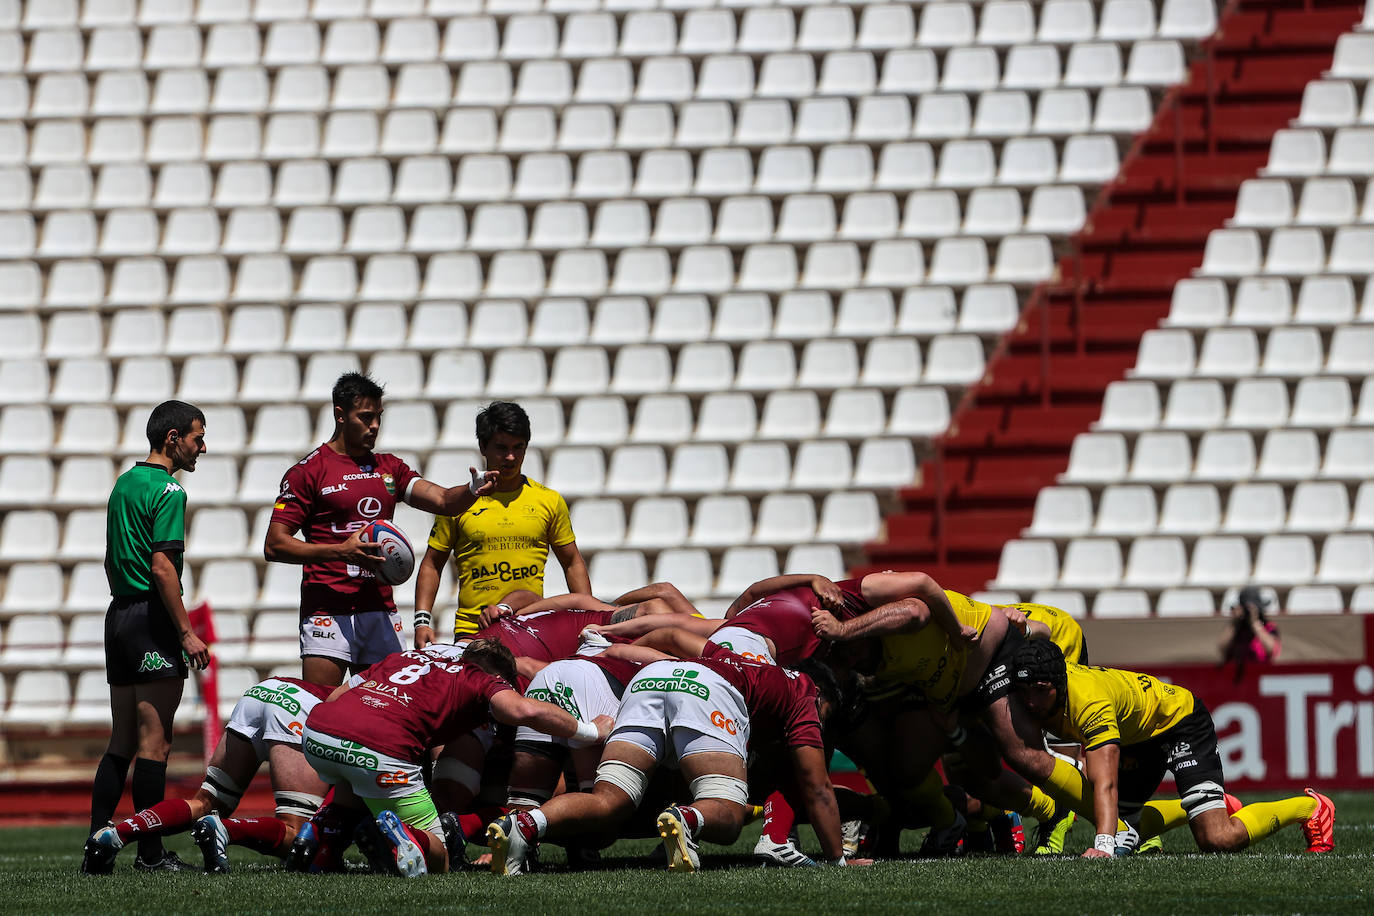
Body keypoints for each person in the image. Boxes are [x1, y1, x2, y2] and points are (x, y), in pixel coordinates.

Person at [487, 642, 862, 875]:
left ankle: (525, 826)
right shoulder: (805, 694)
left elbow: (676, 633)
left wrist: (611, 643)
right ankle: (685, 816)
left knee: (610, 801)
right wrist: (837, 860)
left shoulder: (743, 661)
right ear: (823, 697)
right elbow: (817, 785)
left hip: (652, 679)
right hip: (706, 691)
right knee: (729, 815)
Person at [291, 639, 613, 877]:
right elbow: (523, 710)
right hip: (379, 749)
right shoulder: (481, 677)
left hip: (318, 733)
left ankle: (320, 840)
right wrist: (588, 731)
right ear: (499, 674)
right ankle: (405, 834)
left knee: (353, 782)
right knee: (439, 857)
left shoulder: (404, 657)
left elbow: (337, 696)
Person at [264, 372, 498, 687]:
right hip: (327, 610)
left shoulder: (389, 468)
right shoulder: (308, 472)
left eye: (378, 417)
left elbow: (443, 500)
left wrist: (470, 490)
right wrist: (340, 551)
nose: (374, 425)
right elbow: (274, 544)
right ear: (340, 416)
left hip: (379, 609)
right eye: (365, 417)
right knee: (321, 708)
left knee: (384, 714)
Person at [1009, 640, 1334, 857]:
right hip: (1137, 734)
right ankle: (1210, 805)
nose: (1031, 702)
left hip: (1179, 723)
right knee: (1126, 829)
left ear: (1060, 684)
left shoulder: (1089, 702)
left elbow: (1104, 781)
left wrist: (1103, 845)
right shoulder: (1027, 699)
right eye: (1024, 692)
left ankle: (1311, 808)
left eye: (1039, 691)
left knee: (1217, 839)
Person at [81, 400, 211, 875]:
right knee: (155, 744)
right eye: (198, 437)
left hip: (118, 616)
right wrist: (186, 632)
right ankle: (151, 854)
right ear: (173, 438)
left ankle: (96, 843)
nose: (203, 447)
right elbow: (162, 566)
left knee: (122, 740)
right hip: (152, 620)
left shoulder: (124, 483)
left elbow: (113, 556)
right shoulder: (170, 491)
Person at [82, 675, 332, 873]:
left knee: (205, 803)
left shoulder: (367, 679)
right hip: (300, 709)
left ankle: (116, 834)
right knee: (300, 837)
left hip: (265, 691)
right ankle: (226, 829)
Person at [413, 401, 591, 647]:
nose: (510, 457)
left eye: (518, 448)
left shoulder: (548, 500)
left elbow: (572, 562)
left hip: (530, 626)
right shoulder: (458, 502)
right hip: (472, 632)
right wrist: (422, 621)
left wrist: (587, 618)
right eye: (501, 448)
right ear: (483, 446)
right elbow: (432, 564)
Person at [1218, 586, 1280, 682]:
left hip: (1261, 678)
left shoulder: (1268, 627)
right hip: (1236, 681)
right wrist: (1235, 623)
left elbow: (1272, 649)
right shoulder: (1234, 628)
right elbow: (1221, 648)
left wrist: (1255, 624)